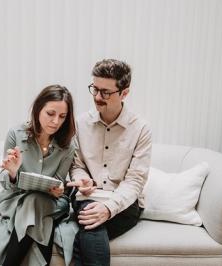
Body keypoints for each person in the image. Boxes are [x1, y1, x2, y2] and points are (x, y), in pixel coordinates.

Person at [67, 59, 152, 265]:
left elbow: (135, 181)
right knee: (91, 221)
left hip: (125, 203)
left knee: (89, 230)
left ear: (124, 93)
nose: (97, 97)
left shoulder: (140, 129)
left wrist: (108, 208)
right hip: (88, 196)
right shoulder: (80, 123)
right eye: (94, 89)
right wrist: (83, 180)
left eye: (105, 92)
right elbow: (76, 166)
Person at [0, 85, 76, 266]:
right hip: (17, 201)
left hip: (52, 203)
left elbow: (59, 183)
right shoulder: (15, 134)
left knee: (35, 200)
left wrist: (58, 189)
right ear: (38, 108)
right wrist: (13, 173)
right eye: (50, 113)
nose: (56, 121)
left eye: (62, 116)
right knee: (33, 202)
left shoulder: (68, 146)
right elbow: (5, 180)